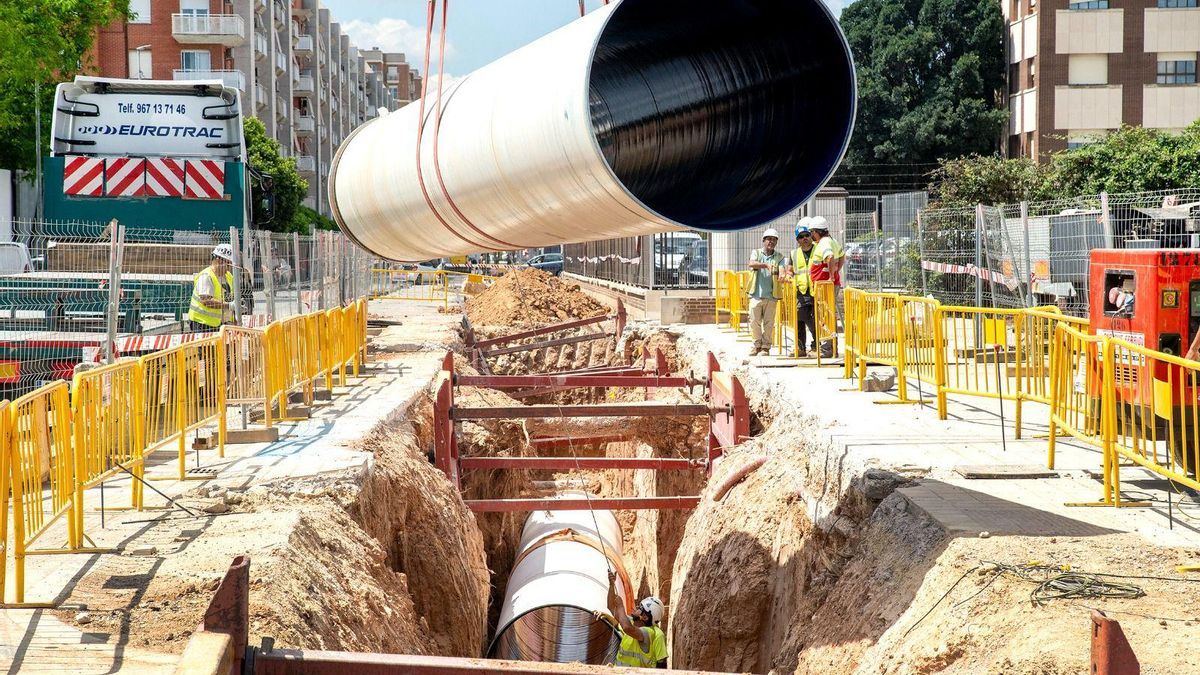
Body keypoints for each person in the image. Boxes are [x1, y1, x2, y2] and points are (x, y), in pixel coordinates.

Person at [595, 571, 668, 668]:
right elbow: (611, 606)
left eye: (639, 608)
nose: (636, 608)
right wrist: (611, 584)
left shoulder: (650, 633)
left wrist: (621, 607)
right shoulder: (632, 622)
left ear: (645, 617)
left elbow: (627, 628)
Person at [747, 228, 785, 356]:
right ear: (764, 240)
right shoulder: (756, 253)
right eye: (769, 239)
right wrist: (766, 265)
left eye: (774, 239)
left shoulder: (779, 257)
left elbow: (781, 268)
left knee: (769, 323)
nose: (771, 242)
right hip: (756, 294)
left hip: (771, 295)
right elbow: (751, 264)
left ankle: (765, 347)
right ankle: (756, 345)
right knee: (754, 321)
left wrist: (782, 274)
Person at [188, 243, 237, 333]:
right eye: (229, 263)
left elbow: (229, 297)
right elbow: (206, 301)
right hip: (202, 324)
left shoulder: (229, 276)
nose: (230, 267)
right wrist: (229, 306)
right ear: (219, 261)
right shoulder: (206, 276)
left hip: (220, 324)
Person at [789, 220, 818, 358]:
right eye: (801, 236)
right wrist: (787, 275)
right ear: (797, 240)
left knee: (813, 318)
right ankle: (800, 347)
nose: (805, 238)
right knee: (800, 318)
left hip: (817, 289)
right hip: (801, 290)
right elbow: (790, 270)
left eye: (807, 235)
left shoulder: (818, 248)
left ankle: (816, 345)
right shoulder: (794, 254)